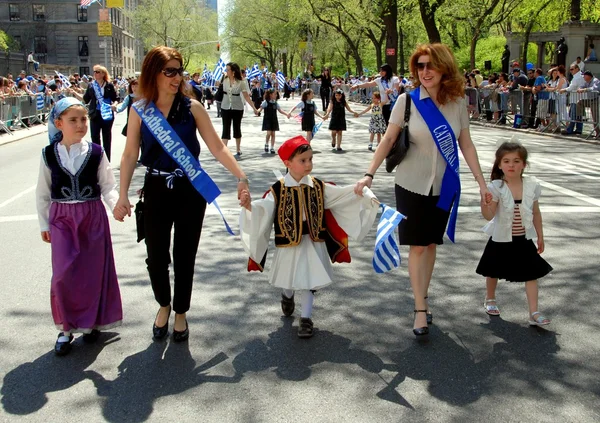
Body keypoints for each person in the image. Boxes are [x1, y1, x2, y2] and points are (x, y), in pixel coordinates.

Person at [113, 46, 251, 342]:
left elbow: (217, 147)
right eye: (170, 71)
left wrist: (241, 176)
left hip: (189, 190)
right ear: (153, 73)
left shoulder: (193, 108)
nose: (177, 77)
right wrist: (122, 195)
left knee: (185, 255)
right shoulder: (139, 109)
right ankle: (163, 304)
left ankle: (180, 312)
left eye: (180, 71)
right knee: (156, 256)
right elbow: (128, 155)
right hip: (156, 189)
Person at [354, 43, 490, 339]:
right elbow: (388, 139)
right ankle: (419, 308)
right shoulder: (407, 101)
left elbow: (466, 144)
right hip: (410, 184)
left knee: (430, 244)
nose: (424, 71)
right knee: (417, 245)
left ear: (444, 68)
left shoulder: (456, 103)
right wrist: (368, 174)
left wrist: (481, 183)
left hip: (444, 186)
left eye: (430, 65)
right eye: (420, 66)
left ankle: (423, 296)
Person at [238, 136, 379, 338]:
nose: (308, 164)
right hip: (288, 244)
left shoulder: (319, 186)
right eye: (302, 160)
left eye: (310, 159)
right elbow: (263, 210)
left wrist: (362, 193)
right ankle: (287, 295)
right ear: (287, 164)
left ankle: (306, 319)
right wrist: (250, 205)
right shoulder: (277, 190)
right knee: (289, 277)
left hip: (313, 242)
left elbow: (342, 195)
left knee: (308, 281)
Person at [36, 97, 123, 356]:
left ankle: (90, 322)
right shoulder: (49, 154)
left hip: (91, 215)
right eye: (73, 120)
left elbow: (107, 185)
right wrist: (44, 223)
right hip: (62, 217)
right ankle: (66, 328)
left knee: (92, 271)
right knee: (63, 274)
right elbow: (43, 192)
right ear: (58, 123)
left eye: (83, 119)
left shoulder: (96, 151)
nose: (80, 124)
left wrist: (116, 206)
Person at [476, 141, 552, 326]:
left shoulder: (532, 185)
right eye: (507, 161)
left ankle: (533, 312)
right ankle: (490, 298)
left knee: (531, 273)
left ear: (524, 164)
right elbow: (488, 216)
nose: (511, 165)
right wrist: (484, 201)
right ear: (499, 164)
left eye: (516, 161)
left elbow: (535, 212)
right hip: (501, 238)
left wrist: (540, 235)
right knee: (492, 270)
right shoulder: (496, 187)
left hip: (523, 238)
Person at [220, 62, 259, 159]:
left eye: (228, 69)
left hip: (237, 107)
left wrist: (254, 108)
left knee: (237, 127)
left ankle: (238, 148)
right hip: (225, 107)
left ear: (233, 72)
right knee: (226, 127)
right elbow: (218, 86)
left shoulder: (241, 82)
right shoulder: (224, 80)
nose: (226, 71)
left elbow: (246, 96)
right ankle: (224, 149)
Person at [82, 65, 118, 161]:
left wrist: (114, 105)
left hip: (107, 114)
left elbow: (116, 99)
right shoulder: (91, 85)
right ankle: (97, 159)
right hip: (95, 114)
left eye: (97, 72)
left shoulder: (109, 85)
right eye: (94, 71)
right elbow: (85, 99)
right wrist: (73, 92)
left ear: (103, 74)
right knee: (95, 136)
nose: (95, 73)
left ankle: (107, 159)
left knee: (107, 136)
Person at [259, 88, 290, 154]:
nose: (276, 95)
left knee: (273, 134)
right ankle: (266, 143)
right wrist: (258, 111)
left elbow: (280, 110)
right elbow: (260, 108)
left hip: (274, 119)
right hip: (267, 119)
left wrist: (287, 114)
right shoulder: (266, 102)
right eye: (275, 94)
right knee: (269, 133)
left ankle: (272, 147)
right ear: (270, 95)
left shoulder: (275, 103)